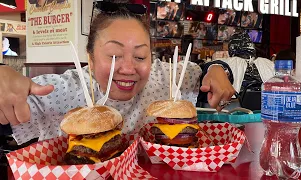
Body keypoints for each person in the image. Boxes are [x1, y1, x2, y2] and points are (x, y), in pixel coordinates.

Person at [0, 1, 235, 145]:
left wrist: (217, 69)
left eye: (141, 56)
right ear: (90, 59)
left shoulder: (163, 77)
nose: (128, 68)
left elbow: (205, 74)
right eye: (114, 56)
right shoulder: (59, 90)